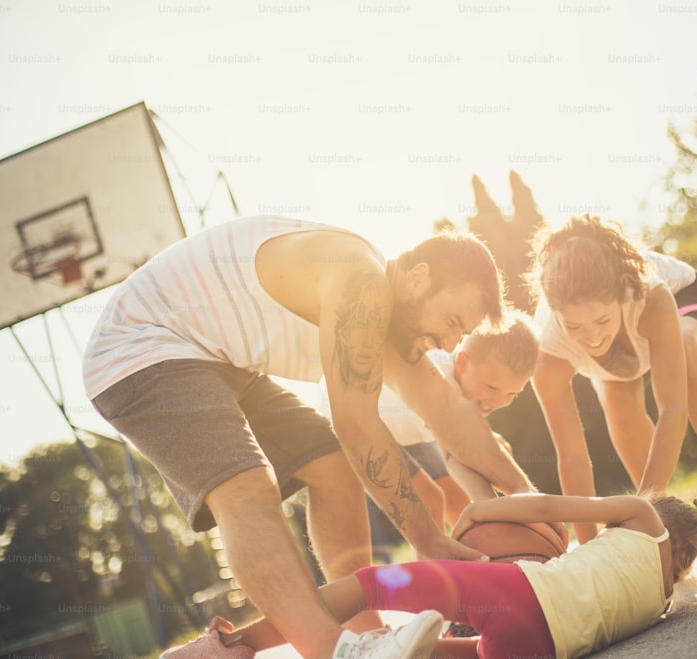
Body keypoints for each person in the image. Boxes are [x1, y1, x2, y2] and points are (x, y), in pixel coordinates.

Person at [81, 215, 536, 658]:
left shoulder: (390, 318)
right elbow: (356, 422)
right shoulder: (363, 282)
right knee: (248, 486)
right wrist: (427, 538)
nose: (451, 344)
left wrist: (525, 495)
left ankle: (367, 638)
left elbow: (446, 408)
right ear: (418, 279)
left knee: (333, 469)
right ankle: (332, 651)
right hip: (141, 345)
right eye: (454, 321)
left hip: (217, 362)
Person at [165, 491, 697, 659]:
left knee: (376, 584)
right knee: (437, 651)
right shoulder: (665, 598)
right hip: (539, 649)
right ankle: (376, 653)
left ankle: (232, 646)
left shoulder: (639, 515)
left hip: (521, 592)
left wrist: (479, 514)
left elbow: (546, 511)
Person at [526, 214, 697, 563]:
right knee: (617, 404)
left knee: (685, 353)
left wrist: (637, 511)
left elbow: (672, 411)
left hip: (687, 300)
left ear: (618, 297)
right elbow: (573, 457)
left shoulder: (649, 294)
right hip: (623, 353)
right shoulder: (547, 349)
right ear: (557, 313)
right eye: (575, 325)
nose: (591, 337)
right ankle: (661, 531)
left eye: (601, 320)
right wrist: (589, 552)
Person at [317, 309, 540, 536]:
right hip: (358, 421)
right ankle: (437, 565)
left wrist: (491, 508)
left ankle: (483, 556)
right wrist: (494, 506)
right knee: (429, 502)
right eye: (491, 388)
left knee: (459, 503)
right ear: (462, 363)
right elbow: (454, 456)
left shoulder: (472, 386)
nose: (497, 400)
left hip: (407, 431)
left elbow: (464, 444)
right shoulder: (439, 380)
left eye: (512, 394)